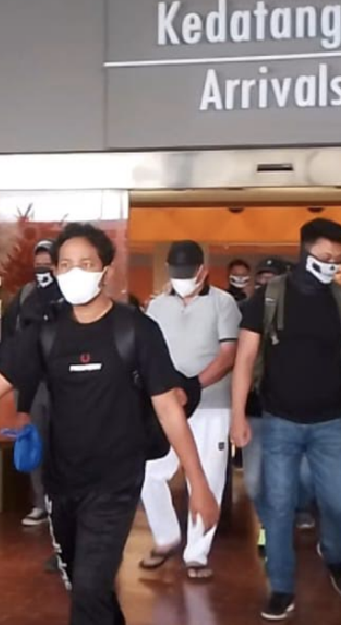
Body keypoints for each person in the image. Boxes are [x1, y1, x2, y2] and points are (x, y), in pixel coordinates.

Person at [0, 222, 220, 625]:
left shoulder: (136, 330)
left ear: (105, 270)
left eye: (86, 264)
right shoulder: (45, 334)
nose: (76, 273)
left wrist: (198, 484)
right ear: (55, 271)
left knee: (89, 590)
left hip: (115, 482)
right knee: (86, 587)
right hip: (63, 482)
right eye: (67, 264)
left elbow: (169, 409)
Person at [231, 218, 341, 621]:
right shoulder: (269, 297)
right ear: (305, 251)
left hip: (332, 424)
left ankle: (334, 555)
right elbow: (244, 359)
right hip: (279, 421)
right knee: (278, 508)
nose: (332, 265)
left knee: (339, 506)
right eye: (326, 256)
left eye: (338, 259)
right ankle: (281, 587)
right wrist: (237, 415)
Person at [139, 240, 241, 580]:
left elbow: (227, 356)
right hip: (167, 404)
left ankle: (197, 554)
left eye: (188, 272)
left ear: (203, 270)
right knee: (148, 472)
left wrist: (193, 386)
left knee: (207, 478)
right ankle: (166, 536)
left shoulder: (223, 303)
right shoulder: (156, 306)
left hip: (211, 404)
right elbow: (148, 353)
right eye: (176, 272)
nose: (182, 278)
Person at [243, 256, 315, 555]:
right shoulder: (246, 312)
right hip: (255, 411)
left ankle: (291, 515)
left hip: (292, 411)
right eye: (261, 278)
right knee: (253, 481)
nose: (265, 284)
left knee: (302, 475)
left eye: (271, 278)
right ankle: (269, 524)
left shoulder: (301, 317)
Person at [2, 239, 62, 527]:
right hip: (31, 382)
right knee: (34, 440)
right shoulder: (26, 294)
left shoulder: (68, 294)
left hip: (61, 381)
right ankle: (40, 502)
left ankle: (60, 502)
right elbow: (10, 332)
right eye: (38, 264)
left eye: (47, 264)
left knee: (62, 444)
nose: (42, 270)